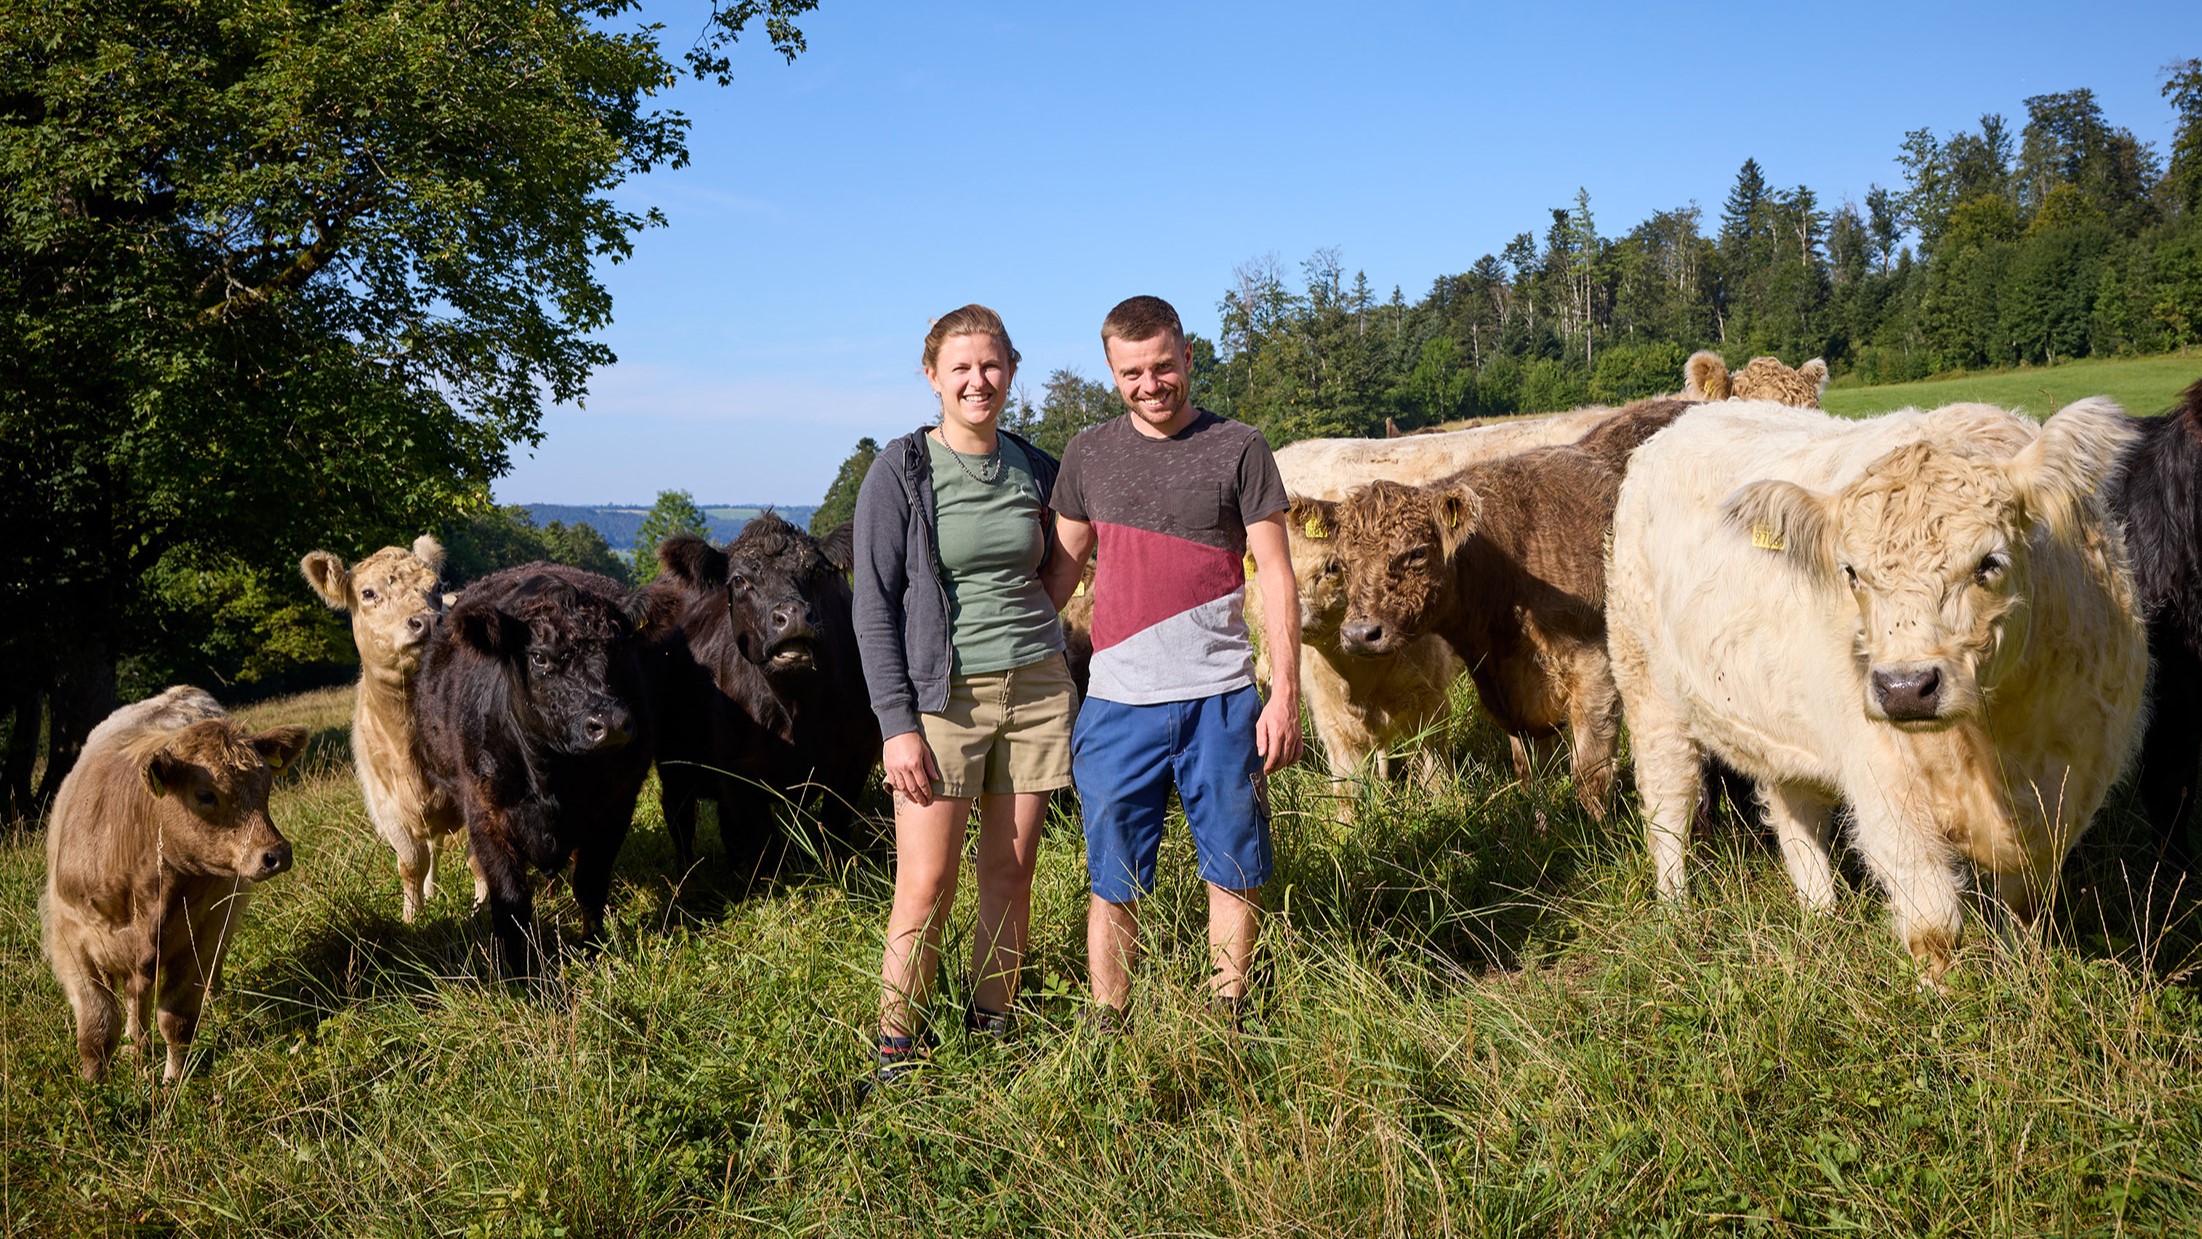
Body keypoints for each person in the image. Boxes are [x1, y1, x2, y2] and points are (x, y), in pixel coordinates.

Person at [1041, 294, 1301, 1027]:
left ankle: (1228, 1012)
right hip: (1118, 702)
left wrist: (1284, 693)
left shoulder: (1240, 447)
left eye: (1162, 366)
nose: (1150, 383)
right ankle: (1109, 1023)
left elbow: (1276, 573)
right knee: (1112, 877)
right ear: (1112, 373)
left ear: (1189, 357)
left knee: (1234, 866)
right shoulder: (1088, 454)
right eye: (1132, 372)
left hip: (1221, 699)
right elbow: (1057, 579)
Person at [852, 304, 1075, 1084]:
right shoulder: (902, 469)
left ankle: (992, 1021)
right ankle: (897, 1045)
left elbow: (1065, 561)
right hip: (941, 697)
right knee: (927, 879)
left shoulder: (1036, 466)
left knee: (1011, 872)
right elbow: (873, 602)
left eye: (991, 366)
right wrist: (895, 724)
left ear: (1011, 370)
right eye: (961, 368)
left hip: (1039, 686)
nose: (977, 381)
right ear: (932, 376)